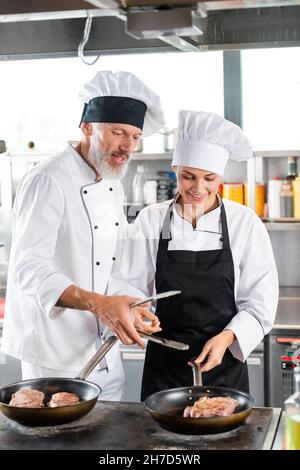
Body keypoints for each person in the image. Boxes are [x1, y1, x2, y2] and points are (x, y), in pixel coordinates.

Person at [1, 71, 165, 400]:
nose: (127, 147)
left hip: (104, 352)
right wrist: (99, 303)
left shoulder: (112, 185)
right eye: (118, 132)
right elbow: (28, 268)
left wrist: (127, 306)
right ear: (87, 127)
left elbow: (112, 266)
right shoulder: (48, 179)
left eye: (134, 137)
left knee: (109, 444)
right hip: (55, 358)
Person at [108, 110, 279, 400]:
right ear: (175, 169)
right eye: (188, 177)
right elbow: (129, 285)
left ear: (220, 176)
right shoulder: (152, 220)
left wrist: (228, 338)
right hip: (164, 366)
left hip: (225, 362)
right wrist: (137, 313)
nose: (199, 189)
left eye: (209, 178)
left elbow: (260, 301)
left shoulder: (244, 222)